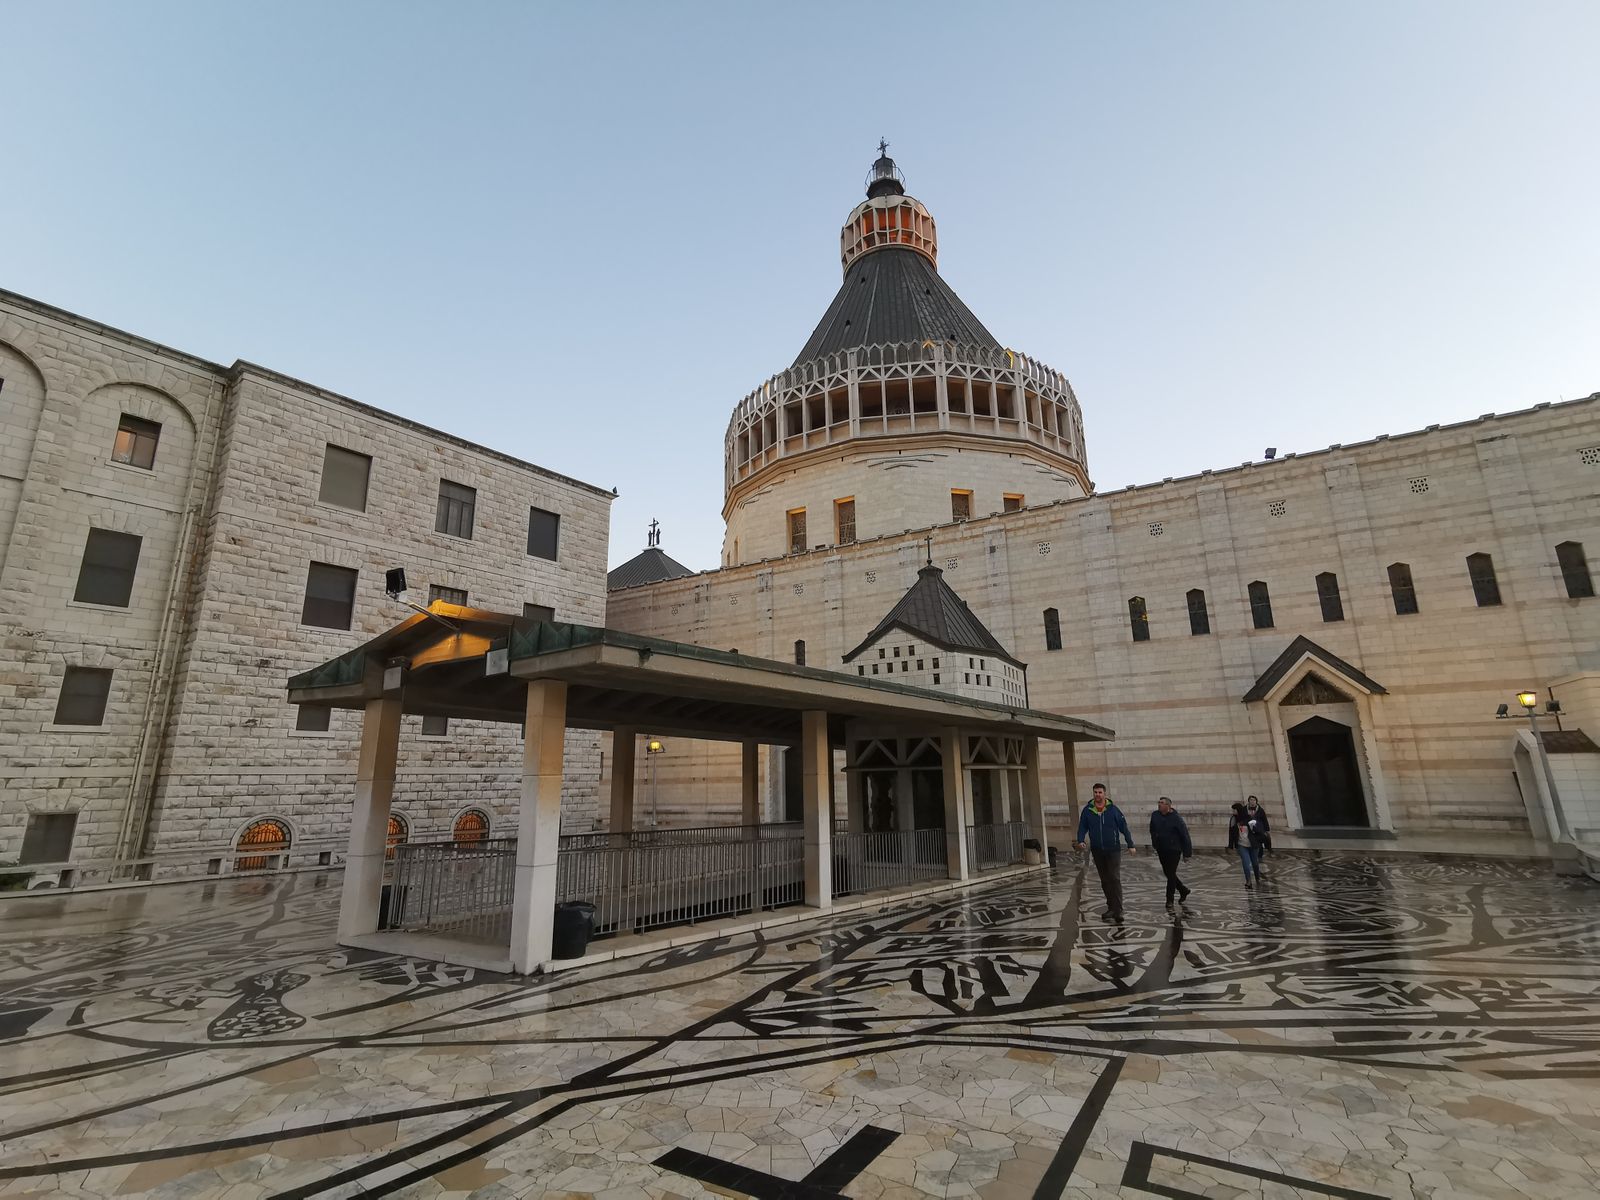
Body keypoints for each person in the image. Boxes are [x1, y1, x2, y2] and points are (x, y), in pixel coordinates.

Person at [1073, 783, 1136, 919]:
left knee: (1114, 878)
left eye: (1100, 792)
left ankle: (1118, 909)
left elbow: (1123, 827)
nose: (1097, 795)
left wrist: (1130, 844)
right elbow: (1082, 827)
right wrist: (1081, 840)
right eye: (1095, 792)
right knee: (1105, 880)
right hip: (1097, 850)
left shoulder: (1113, 810)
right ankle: (1111, 907)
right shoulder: (1088, 810)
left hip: (1113, 849)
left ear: (1105, 794)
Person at [1149, 796, 1193, 907]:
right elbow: (1152, 829)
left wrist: (1187, 853)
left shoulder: (1176, 818)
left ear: (1168, 806)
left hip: (1174, 849)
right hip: (1161, 848)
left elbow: (1185, 835)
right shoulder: (1155, 815)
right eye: (1158, 802)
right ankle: (1183, 890)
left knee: (1171, 874)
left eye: (1162, 803)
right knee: (1168, 873)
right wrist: (1155, 842)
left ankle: (1170, 900)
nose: (1159, 804)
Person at [1227, 801, 1265, 888]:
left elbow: (1258, 830)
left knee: (1255, 862)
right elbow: (1231, 833)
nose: (1233, 812)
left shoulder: (1249, 818)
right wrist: (1230, 845)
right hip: (1242, 845)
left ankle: (1257, 878)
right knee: (1246, 862)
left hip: (1253, 844)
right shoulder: (1233, 820)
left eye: (1234, 810)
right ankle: (1248, 881)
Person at [1245, 796, 1272, 866]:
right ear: (1249, 801)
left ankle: (1260, 857)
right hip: (1249, 829)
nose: (1252, 801)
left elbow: (1264, 820)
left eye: (1254, 800)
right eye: (1251, 800)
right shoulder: (1245, 809)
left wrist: (1267, 830)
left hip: (1259, 829)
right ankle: (1251, 856)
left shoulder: (1260, 810)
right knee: (1251, 843)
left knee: (1259, 843)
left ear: (1256, 801)